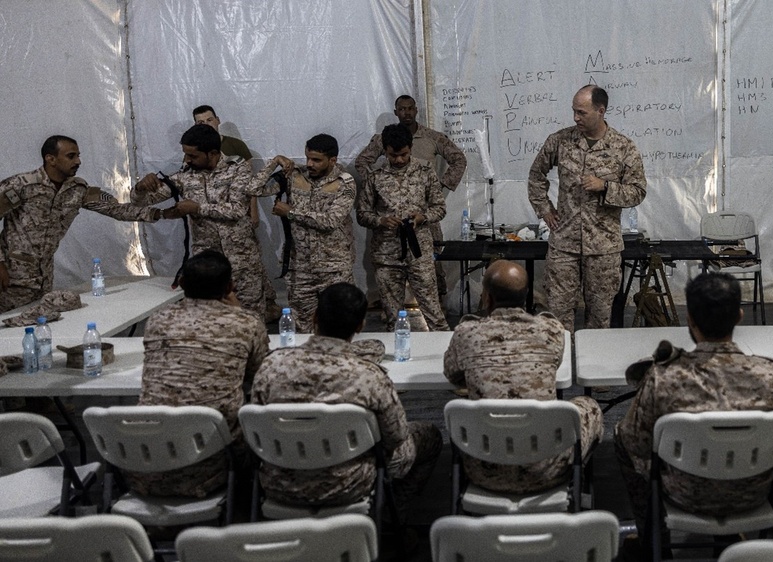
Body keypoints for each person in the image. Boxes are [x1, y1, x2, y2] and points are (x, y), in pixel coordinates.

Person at [615, 272, 773, 541]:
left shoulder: (663, 377)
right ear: (739, 317)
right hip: (755, 493)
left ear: (690, 320)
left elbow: (635, 442)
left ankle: (653, 541)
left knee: (621, 438)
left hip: (684, 493)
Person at [251, 282, 441, 512]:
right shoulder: (369, 376)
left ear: (314, 317)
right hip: (348, 483)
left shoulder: (272, 366)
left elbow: (256, 430)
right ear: (361, 325)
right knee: (429, 436)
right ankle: (392, 515)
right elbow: (397, 436)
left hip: (279, 482)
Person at [444, 260, 602, 494]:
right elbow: (553, 365)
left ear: (486, 298)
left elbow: (453, 374)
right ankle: (579, 491)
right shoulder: (551, 331)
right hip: (546, 468)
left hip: (483, 470)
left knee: (460, 408)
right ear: (526, 295)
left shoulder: (466, 335)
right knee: (589, 407)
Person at [128, 250, 268, 497]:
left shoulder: (159, 320)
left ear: (181, 284)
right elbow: (260, 375)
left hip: (146, 460)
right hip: (213, 462)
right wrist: (240, 311)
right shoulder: (245, 323)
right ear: (230, 287)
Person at [0, 135, 167, 312]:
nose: (78, 161)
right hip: (9, 276)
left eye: (78, 155)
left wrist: (162, 213)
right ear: (51, 159)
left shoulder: (78, 190)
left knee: (32, 324)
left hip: (42, 277)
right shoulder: (22, 185)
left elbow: (116, 209)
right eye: (71, 156)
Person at [528, 85, 647, 331]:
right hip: (564, 244)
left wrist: (605, 186)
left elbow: (638, 192)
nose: (575, 118)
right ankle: (562, 366)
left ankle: (593, 366)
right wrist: (545, 209)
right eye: (574, 111)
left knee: (599, 317)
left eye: (581, 112)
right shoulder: (560, 141)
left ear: (600, 111)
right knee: (558, 315)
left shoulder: (624, 147)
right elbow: (536, 174)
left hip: (603, 247)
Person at [132, 124, 275, 320]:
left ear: (213, 153)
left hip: (243, 262)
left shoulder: (238, 170)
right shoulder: (184, 177)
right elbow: (143, 202)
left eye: (193, 156)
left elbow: (237, 209)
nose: (187, 160)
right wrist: (140, 188)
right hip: (207, 269)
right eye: (186, 155)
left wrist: (197, 208)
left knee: (251, 318)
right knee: (210, 320)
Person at [355, 95, 467, 307]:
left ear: (416, 110)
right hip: (391, 222)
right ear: (396, 112)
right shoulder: (385, 138)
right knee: (389, 270)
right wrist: (378, 186)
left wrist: (441, 185)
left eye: (410, 109)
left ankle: (438, 301)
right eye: (401, 109)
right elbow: (362, 162)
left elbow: (458, 159)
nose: (406, 113)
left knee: (431, 261)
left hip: (423, 214)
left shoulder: (432, 137)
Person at [193, 104, 281, 322]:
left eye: (209, 120)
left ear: (218, 120)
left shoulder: (235, 146)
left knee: (249, 265)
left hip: (237, 217)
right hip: (211, 222)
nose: (206, 125)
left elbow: (249, 184)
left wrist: (253, 214)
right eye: (200, 122)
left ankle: (266, 305)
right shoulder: (194, 147)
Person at [356, 123, 449, 331]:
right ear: (385, 151)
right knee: (393, 320)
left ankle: (444, 356)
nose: (398, 160)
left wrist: (422, 217)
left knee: (435, 315)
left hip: (419, 253)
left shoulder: (425, 171)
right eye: (393, 155)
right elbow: (362, 214)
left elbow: (439, 208)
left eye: (403, 155)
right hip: (386, 255)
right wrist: (380, 221)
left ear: (410, 149)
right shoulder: (375, 177)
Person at [258, 134, 356, 331]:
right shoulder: (295, 177)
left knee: (339, 325)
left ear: (333, 160)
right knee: (303, 326)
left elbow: (331, 221)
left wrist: (290, 212)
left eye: (317, 160)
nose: (310, 164)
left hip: (334, 267)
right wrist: (275, 161)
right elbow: (254, 189)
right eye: (307, 158)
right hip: (300, 268)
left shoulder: (344, 183)